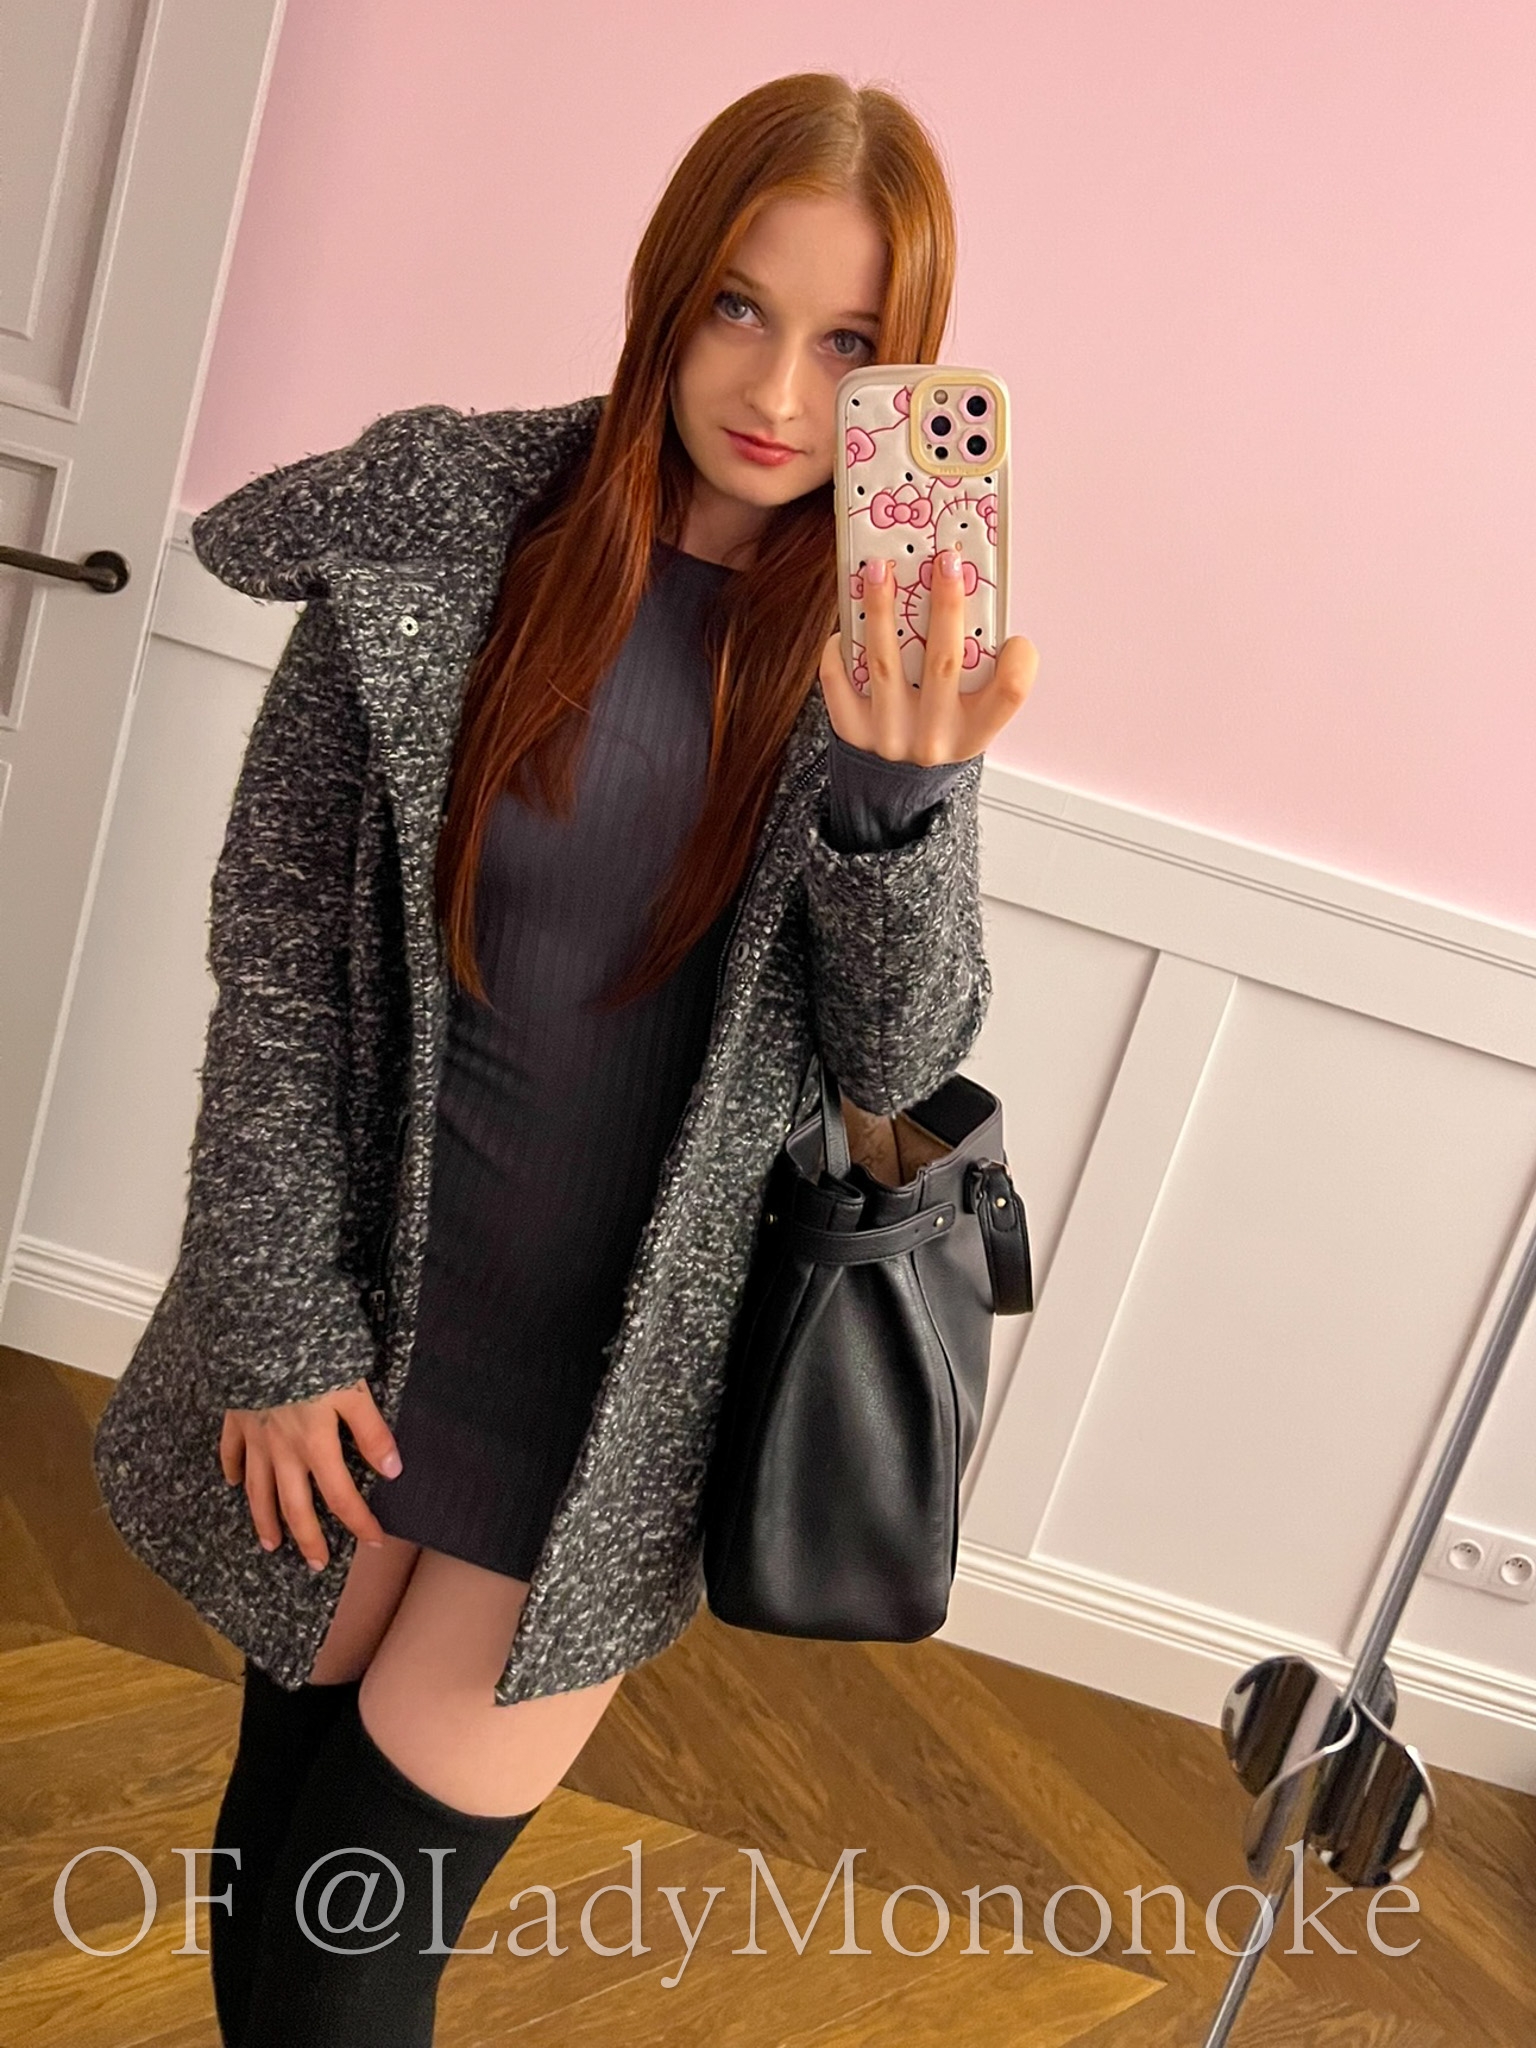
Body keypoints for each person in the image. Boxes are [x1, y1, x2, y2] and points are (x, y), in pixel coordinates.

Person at [93, 70, 1037, 2046]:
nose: (775, 386)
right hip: (361, 1350)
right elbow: (278, 957)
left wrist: (897, 805)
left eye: (848, 342)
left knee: (350, 1968)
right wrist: (278, 1323)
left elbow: (898, 1061)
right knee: (276, 1872)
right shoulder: (449, 530)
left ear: (904, 373)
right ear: (668, 288)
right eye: (741, 306)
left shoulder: (879, 642)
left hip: (611, 1412)